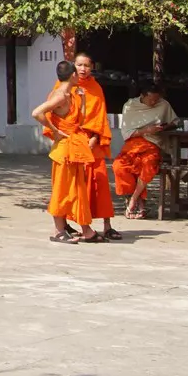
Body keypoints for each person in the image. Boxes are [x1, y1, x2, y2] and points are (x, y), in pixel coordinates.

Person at [34, 61, 94, 243]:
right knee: (62, 189)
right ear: (73, 75)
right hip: (64, 150)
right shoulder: (60, 95)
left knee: (77, 189)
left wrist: (83, 99)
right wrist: (54, 129)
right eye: (78, 72)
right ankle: (58, 231)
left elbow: (79, 120)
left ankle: (87, 230)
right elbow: (37, 113)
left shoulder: (72, 94)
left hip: (73, 147)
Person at [63, 52, 119, 239]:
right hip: (72, 142)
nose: (83, 69)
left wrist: (95, 137)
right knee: (73, 184)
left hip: (93, 142)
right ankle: (69, 224)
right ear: (73, 66)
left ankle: (107, 225)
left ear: (92, 67)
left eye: (86, 65)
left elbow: (100, 116)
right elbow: (56, 116)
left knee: (100, 182)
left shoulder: (96, 88)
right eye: (79, 65)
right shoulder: (64, 86)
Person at [113, 82, 178, 219]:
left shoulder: (163, 104)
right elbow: (127, 132)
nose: (154, 102)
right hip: (133, 144)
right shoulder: (130, 106)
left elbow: (175, 122)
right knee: (119, 166)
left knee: (147, 164)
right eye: (151, 100)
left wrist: (164, 127)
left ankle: (133, 201)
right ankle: (137, 202)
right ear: (142, 96)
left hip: (153, 143)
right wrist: (146, 130)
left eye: (156, 99)